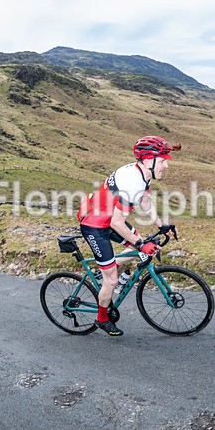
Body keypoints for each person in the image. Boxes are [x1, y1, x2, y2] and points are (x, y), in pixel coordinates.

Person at [77, 136, 179, 336]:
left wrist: (161, 225)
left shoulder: (142, 174)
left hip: (109, 219)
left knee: (140, 249)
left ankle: (105, 268)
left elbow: (145, 201)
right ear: (148, 161)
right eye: (163, 161)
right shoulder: (133, 182)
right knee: (112, 280)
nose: (166, 165)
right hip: (95, 225)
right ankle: (102, 319)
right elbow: (117, 223)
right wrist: (141, 244)